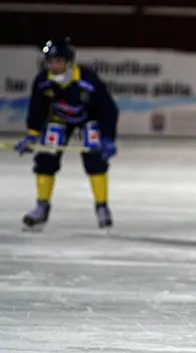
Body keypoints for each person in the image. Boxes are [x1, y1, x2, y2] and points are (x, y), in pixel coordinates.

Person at [15, 37, 119, 230]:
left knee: (94, 160)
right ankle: (42, 206)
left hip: (89, 118)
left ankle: (102, 207)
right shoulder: (43, 82)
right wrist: (32, 134)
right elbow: (37, 109)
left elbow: (108, 109)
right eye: (50, 62)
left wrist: (108, 137)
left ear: (69, 62)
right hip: (60, 119)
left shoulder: (88, 80)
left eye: (59, 61)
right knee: (46, 158)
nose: (54, 66)